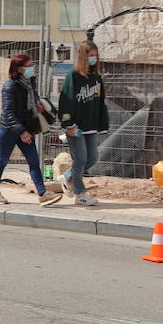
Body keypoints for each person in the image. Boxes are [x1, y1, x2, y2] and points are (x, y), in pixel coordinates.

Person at [0, 53, 63, 206]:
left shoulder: (30, 83)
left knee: (34, 161)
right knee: (2, 160)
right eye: (28, 66)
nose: (32, 68)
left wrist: (38, 105)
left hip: (26, 129)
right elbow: (8, 113)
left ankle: (43, 194)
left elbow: (29, 104)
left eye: (32, 65)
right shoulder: (10, 86)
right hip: (9, 130)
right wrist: (21, 132)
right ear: (19, 68)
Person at [58, 40, 109, 207]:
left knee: (92, 157)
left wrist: (102, 124)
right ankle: (80, 194)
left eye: (95, 56)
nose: (93, 59)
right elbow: (65, 100)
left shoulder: (97, 77)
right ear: (83, 56)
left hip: (91, 126)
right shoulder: (72, 76)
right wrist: (68, 124)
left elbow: (101, 102)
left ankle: (68, 177)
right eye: (90, 56)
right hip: (76, 127)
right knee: (80, 159)